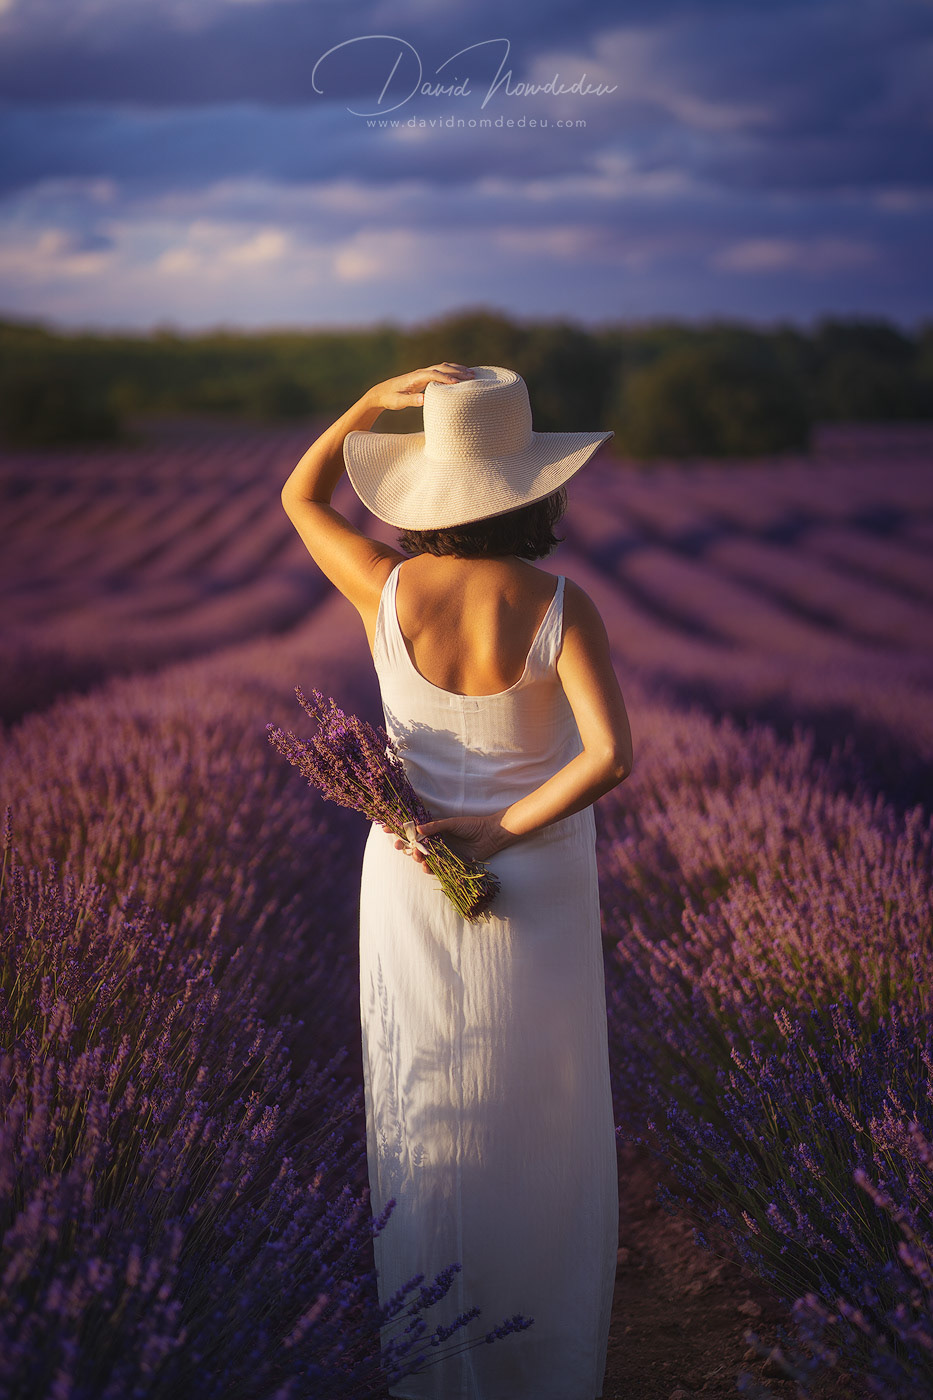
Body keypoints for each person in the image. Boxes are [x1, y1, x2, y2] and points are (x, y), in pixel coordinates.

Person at [281, 362, 633, 1400]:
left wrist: (363, 406)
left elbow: (300, 496)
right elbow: (609, 757)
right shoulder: (563, 603)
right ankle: (546, 1362)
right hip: (539, 874)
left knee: (426, 1096)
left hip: (406, 874)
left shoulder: (385, 588)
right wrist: (498, 828)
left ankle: (442, 1362)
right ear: (535, 487)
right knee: (544, 1103)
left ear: (426, 486)